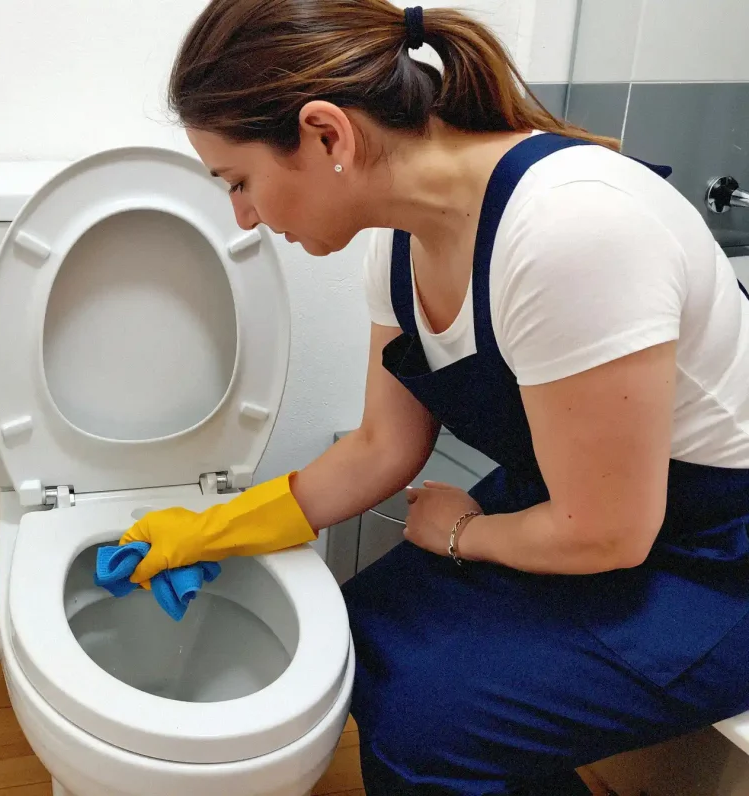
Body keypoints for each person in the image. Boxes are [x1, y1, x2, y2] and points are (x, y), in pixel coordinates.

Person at [118, 2, 749, 794]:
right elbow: (384, 446)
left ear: (327, 135)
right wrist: (213, 530)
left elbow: (610, 536)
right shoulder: (396, 241)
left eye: (239, 182)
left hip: (715, 556)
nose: (243, 218)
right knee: (362, 632)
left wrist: (465, 535)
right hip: (591, 506)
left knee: (427, 725)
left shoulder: (569, 231)